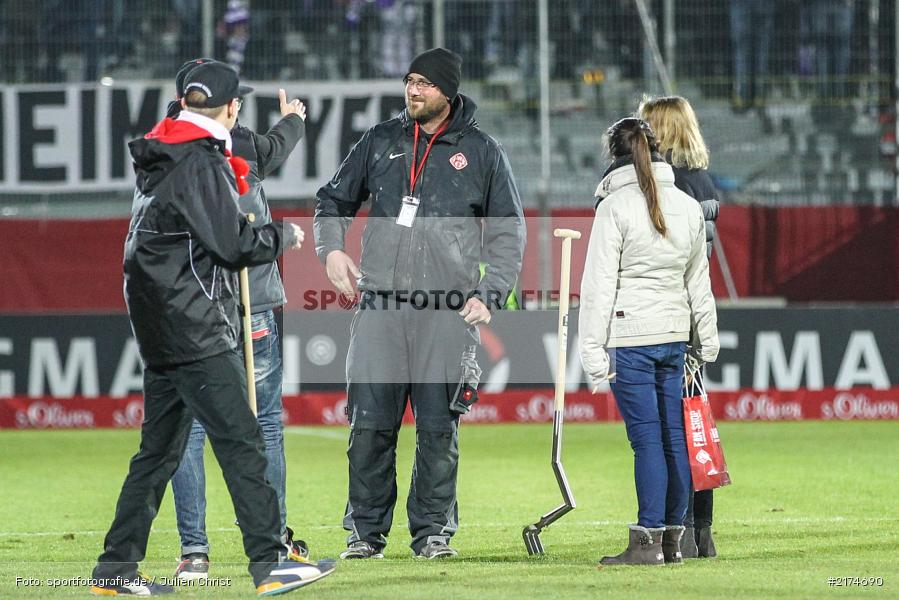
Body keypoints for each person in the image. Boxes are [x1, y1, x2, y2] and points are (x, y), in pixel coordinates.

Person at [89, 61, 334, 596]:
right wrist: (281, 235)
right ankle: (270, 562)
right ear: (232, 109)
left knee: (159, 452)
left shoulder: (166, 150)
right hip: (193, 323)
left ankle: (115, 571)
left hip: (160, 323)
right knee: (243, 439)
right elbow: (235, 247)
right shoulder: (200, 162)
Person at [314, 47, 525, 559]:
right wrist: (331, 249)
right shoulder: (379, 141)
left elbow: (508, 233)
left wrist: (490, 293)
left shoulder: (482, 153)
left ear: (447, 92)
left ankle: (432, 533)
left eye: (424, 84)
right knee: (369, 427)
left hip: (448, 313)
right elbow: (331, 200)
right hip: (380, 307)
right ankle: (365, 535)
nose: (413, 90)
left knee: (437, 429)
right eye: (409, 80)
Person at [162, 58, 311, 580]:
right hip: (247, 302)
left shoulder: (163, 150)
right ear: (222, 104)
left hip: (191, 309)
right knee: (264, 422)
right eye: (234, 100)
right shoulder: (228, 145)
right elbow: (267, 155)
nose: (237, 107)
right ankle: (273, 544)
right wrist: (293, 120)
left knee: (190, 428)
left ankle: (195, 552)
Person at [578, 117, 719, 566]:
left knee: (647, 442)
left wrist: (592, 354)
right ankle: (675, 541)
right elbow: (700, 281)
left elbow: (598, 285)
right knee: (673, 438)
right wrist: (707, 341)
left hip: (632, 337)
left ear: (613, 155)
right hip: (675, 336)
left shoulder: (613, 207)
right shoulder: (687, 204)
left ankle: (646, 542)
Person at [638, 95, 721, 559]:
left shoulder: (672, 188)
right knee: (693, 425)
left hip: (671, 316)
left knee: (672, 429)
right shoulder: (702, 182)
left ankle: (681, 526)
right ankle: (700, 530)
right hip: (694, 313)